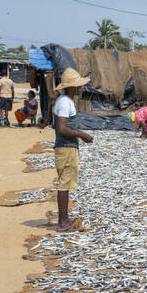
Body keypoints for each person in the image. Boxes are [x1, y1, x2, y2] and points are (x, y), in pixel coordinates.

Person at [54, 68, 93, 232]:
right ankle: (62, 223)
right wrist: (81, 134)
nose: (79, 88)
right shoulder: (64, 102)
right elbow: (62, 128)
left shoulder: (65, 100)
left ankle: (65, 218)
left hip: (68, 147)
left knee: (67, 183)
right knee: (64, 184)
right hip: (66, 147)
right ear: (71, 87)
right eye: (77, 85)